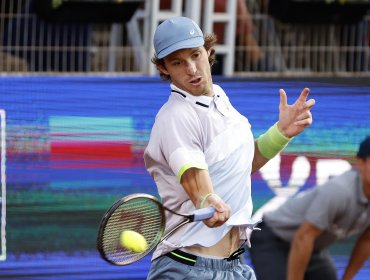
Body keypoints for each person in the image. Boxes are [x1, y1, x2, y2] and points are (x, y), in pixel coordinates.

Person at [143, 16, 315, 280]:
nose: (191, 69)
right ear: (165, 69)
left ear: (209, 52)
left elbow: (241, 165)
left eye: (195, 55)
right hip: (187, 269)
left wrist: (281, 133)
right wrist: (206, 199)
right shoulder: (175, 116)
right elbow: (192, 174)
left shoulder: (220, 99)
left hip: (235, 267)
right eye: (178, 62)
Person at [249, 136, 370, 280]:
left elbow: (366, 240)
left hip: (312, 247)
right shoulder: (340, 191)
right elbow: (303, 238)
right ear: (360, 162)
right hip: (273, 238)